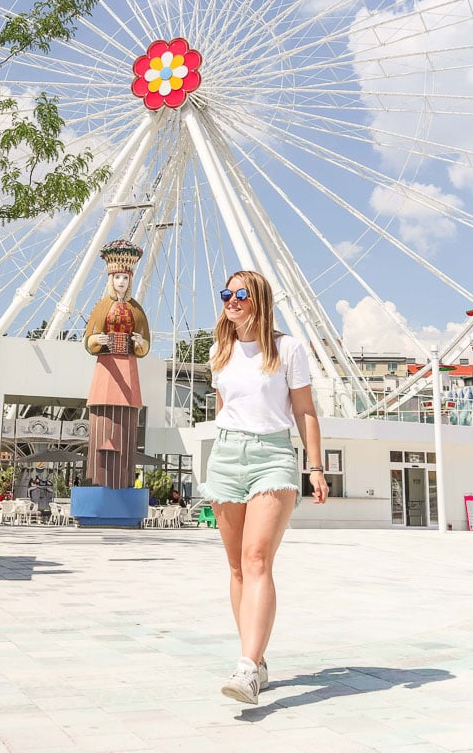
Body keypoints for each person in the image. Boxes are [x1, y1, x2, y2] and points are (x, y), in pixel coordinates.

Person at [200, 269, 328, 706]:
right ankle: (255, 656)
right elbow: (225, 409)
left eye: (241, 294)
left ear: (260, 301)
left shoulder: (288, 349)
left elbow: (305, 410)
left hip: (273, 455)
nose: (232, 301)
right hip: (227, 456)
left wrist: (315, 467)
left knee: (257, 558)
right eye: (226, 294)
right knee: (236, 566)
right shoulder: (220, 349)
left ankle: (247, 669)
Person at [83, 239, 150, 490]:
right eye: (117, 277)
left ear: (130, 280)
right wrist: (95, 340)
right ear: (110, 279)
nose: (121, 282)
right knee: (102, 432)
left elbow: (145, 343)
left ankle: (121, 483)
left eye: (125, 277)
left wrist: (140, 342)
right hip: (106, 369)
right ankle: (100, 482)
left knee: (125, 433)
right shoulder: (102, 307)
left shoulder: (137, 310)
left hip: (128, 369)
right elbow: (88, 338)